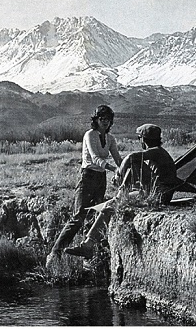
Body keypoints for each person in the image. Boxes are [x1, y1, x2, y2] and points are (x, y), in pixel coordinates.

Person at [65, 123, 180, 259]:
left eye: (139, 138)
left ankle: (90, 244)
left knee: (134, 164)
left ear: (143, 139)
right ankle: (89, 244)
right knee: (110, 204)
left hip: (159, 196)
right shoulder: (158, 153)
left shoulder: (156, 152)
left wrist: (119, 174)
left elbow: (130, 158)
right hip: (156, 193)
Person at [45, 105, 122, 268]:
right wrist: (114, 169)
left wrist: (124, 169)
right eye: (102, 119)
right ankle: (55, 253)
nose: (105, 123)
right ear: (96, 120)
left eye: (108, 120)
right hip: (87, 178)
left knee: (95, 216)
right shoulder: (90, 135)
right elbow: (94, 158)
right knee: (78, 217)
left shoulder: (110, 139)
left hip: (101, 179)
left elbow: (118, 158)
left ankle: (90, 257)